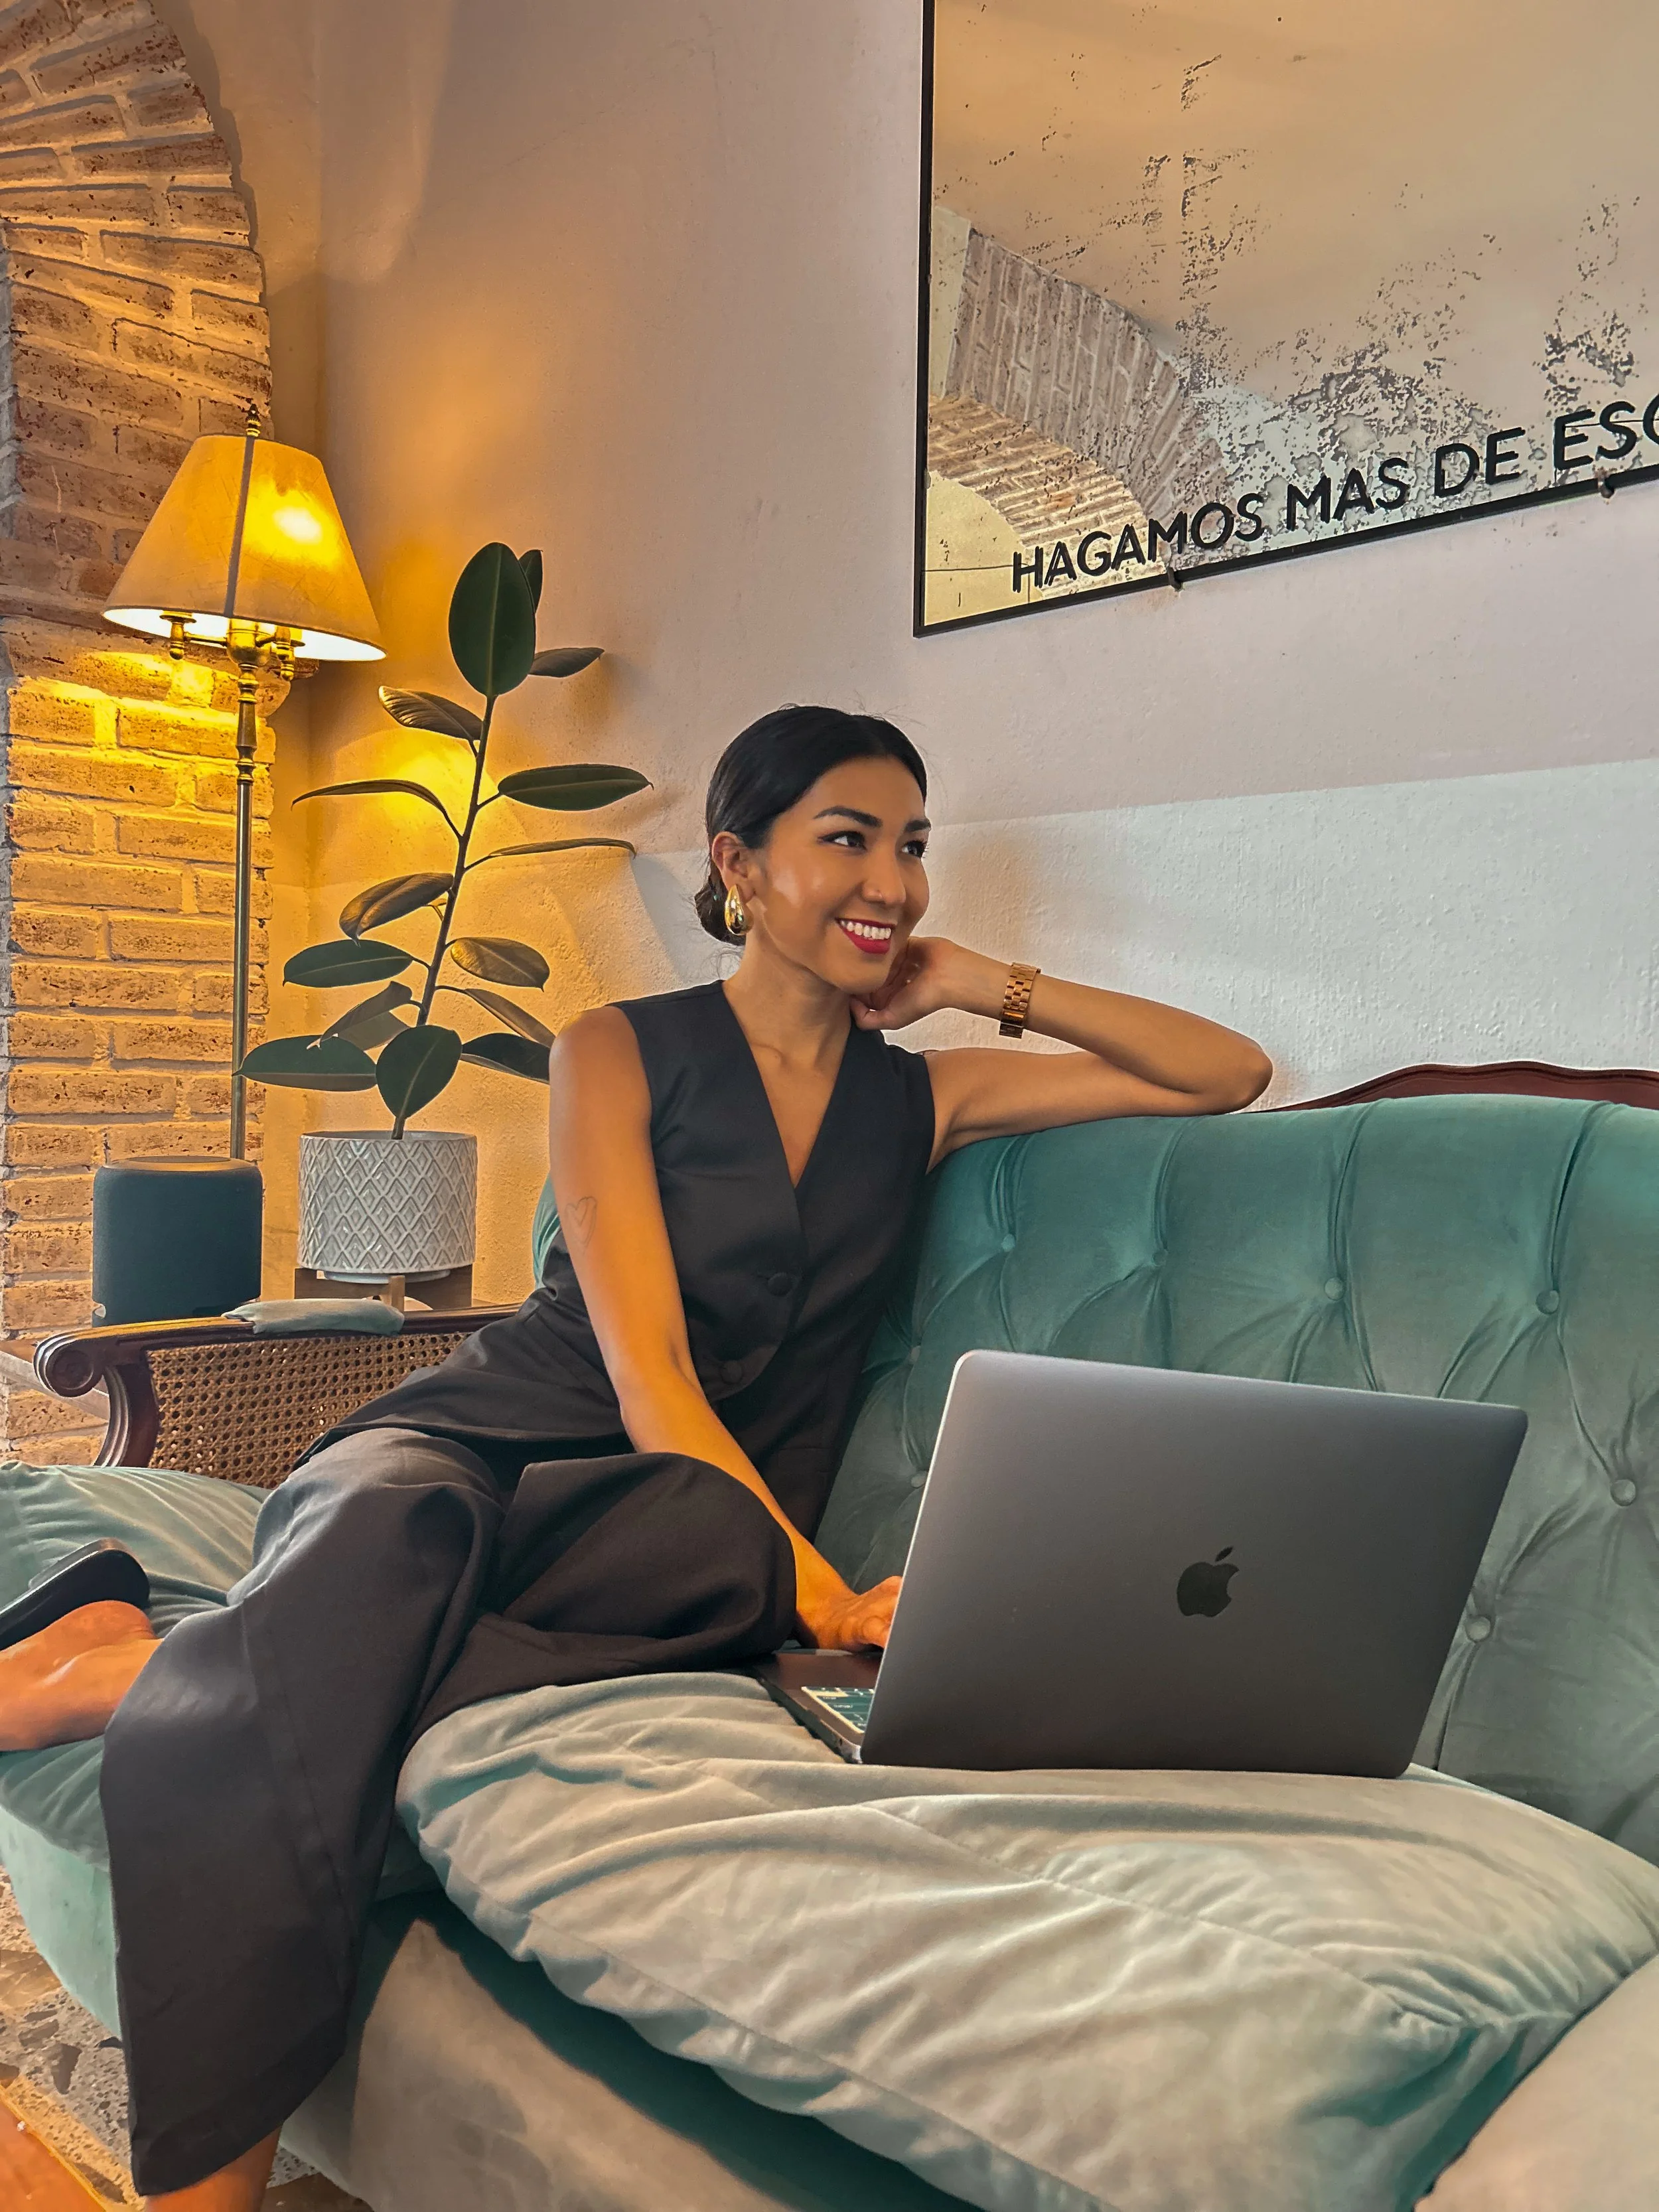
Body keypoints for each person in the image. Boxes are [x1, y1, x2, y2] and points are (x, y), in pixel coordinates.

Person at [0, 704, 1271, 2208]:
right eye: (846, 839)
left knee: (707, 1560)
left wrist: (982, 982)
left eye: (912, 846)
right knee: (398, 1546)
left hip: (672, 1518)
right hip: (471, 1444)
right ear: (737, 863)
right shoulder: (616, 1050)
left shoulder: (922, 1097)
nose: (891, 879)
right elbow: (646, 1366)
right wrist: (826, 1593)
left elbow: (1226, 1070)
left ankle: (133, 1663)